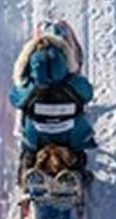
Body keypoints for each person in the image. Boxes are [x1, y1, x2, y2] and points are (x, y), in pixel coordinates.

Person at [10, 25, 95, 182]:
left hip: (37, 136)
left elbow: (14, 99)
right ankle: (77, 169)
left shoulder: (29, 87)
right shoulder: (74, 84)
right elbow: (88, 93)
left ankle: (28, 167)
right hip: (70, 135)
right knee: (77, 147)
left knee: (29, 146)